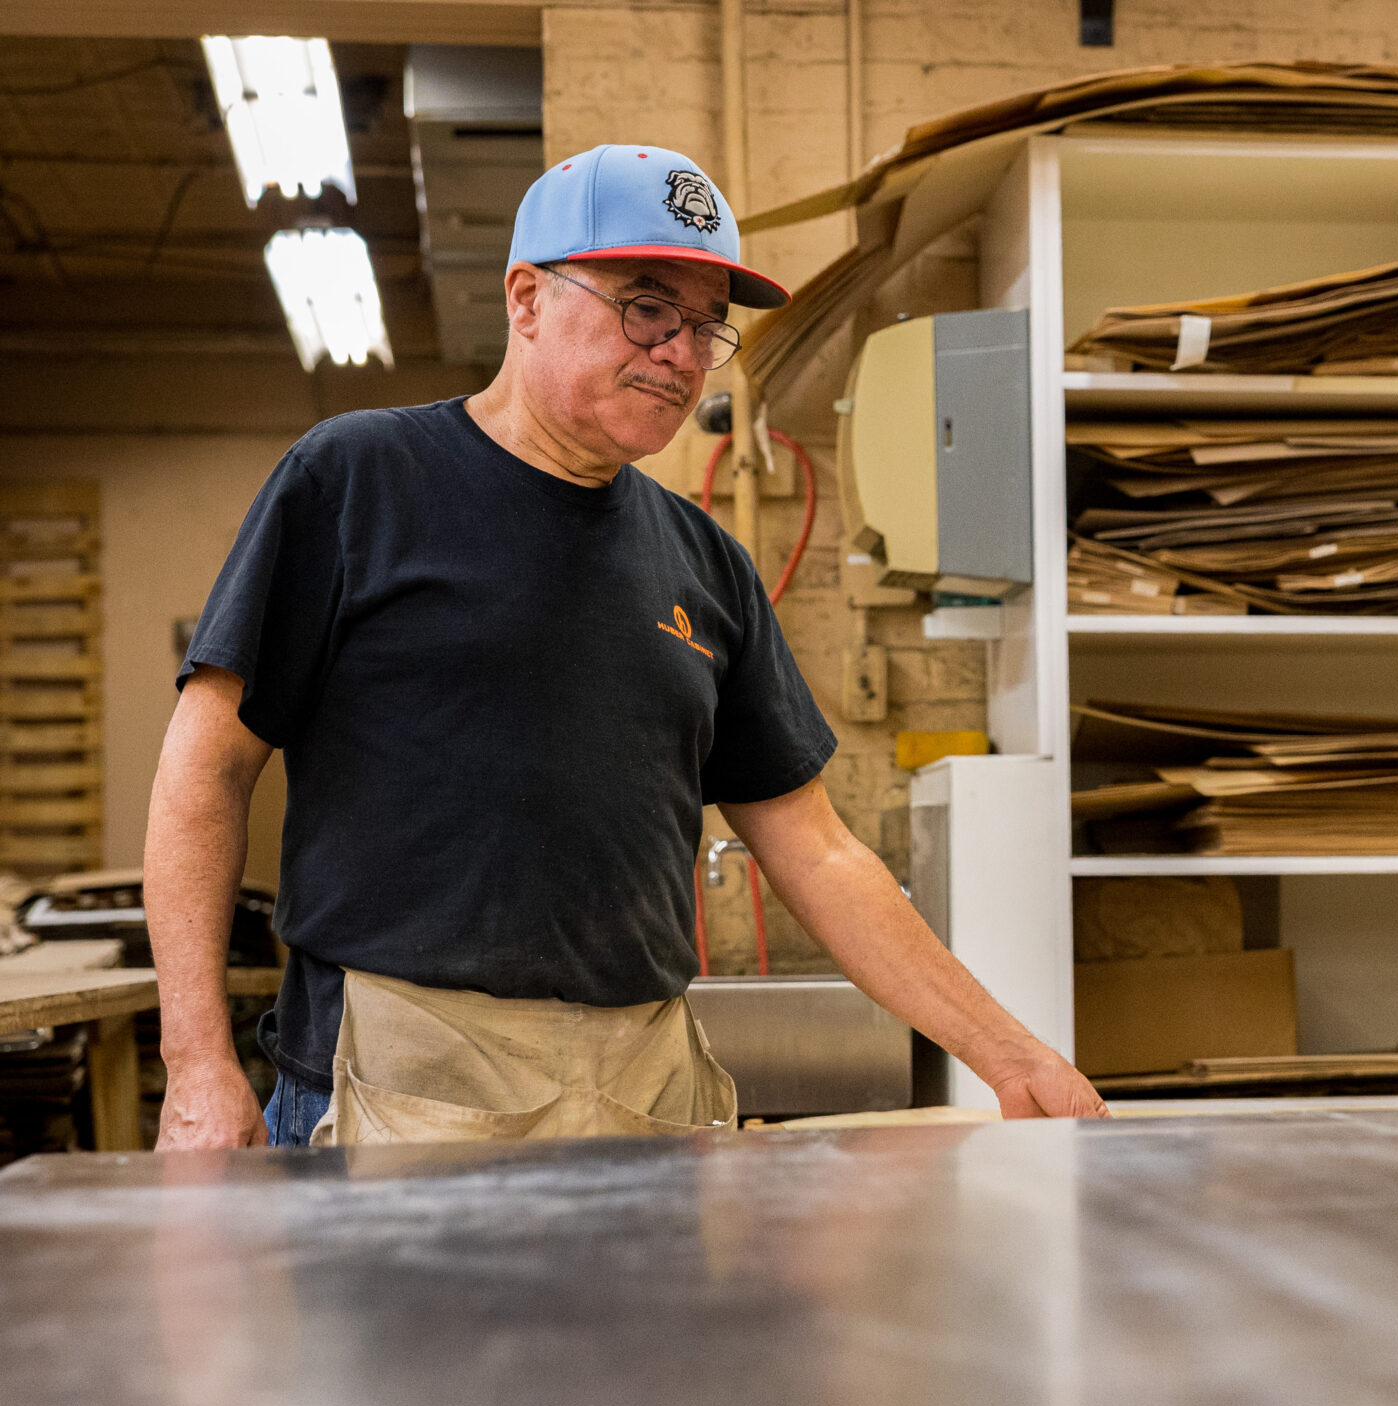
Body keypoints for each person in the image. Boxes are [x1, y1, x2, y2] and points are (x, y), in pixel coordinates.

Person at [145, 143, 1103, 1148]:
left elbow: (819, 853)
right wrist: (198, 1063)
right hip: (402, 1082)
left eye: (707, 326)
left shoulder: (705, 563)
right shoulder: (356, 481)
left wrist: (1010, 1054)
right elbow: (205, 772)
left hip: (642, 1089)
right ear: (527, 299)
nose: (682, 355)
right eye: (647, 308)